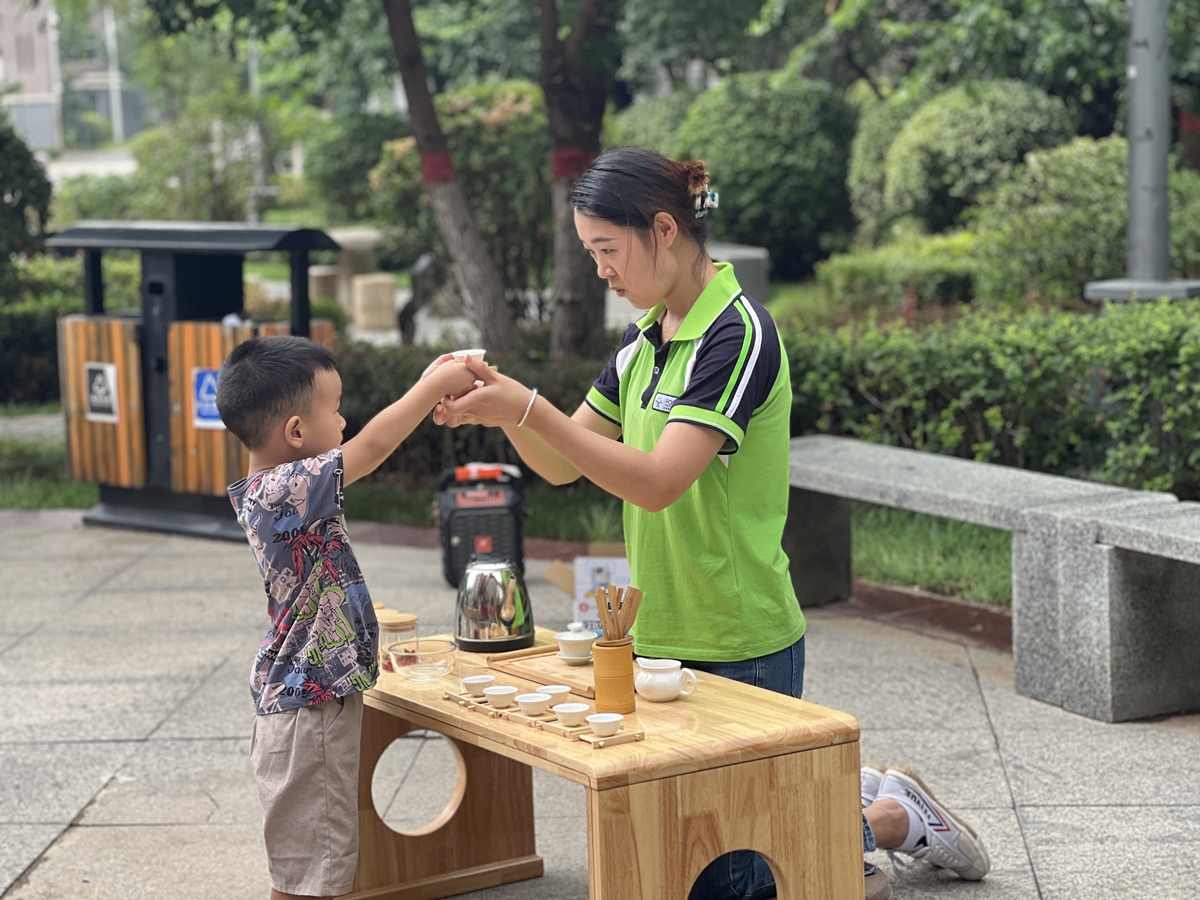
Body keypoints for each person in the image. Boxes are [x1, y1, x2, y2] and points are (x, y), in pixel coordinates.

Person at [434, 147, 990, 900]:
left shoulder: (736, 334)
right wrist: (502, 406)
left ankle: (889, 819)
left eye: (607, 250)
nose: (600, 270)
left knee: (737, 871)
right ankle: (845, 812)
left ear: (664, 228)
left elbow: (661, 480)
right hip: (656, 635)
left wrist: (526, 410)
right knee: (700, 851)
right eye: (589, 252)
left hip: (742, 639)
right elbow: (566, 462)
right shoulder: (642, 343)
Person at [216, 335, 476, 900]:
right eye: (334, 410)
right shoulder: (283, 489)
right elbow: (377, 444)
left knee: (309, 865)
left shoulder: (278, 490)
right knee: (313, 875)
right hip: (308, 706)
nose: (345, 422)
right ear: (295, 432)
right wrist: (434, 385)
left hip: (305, 700)